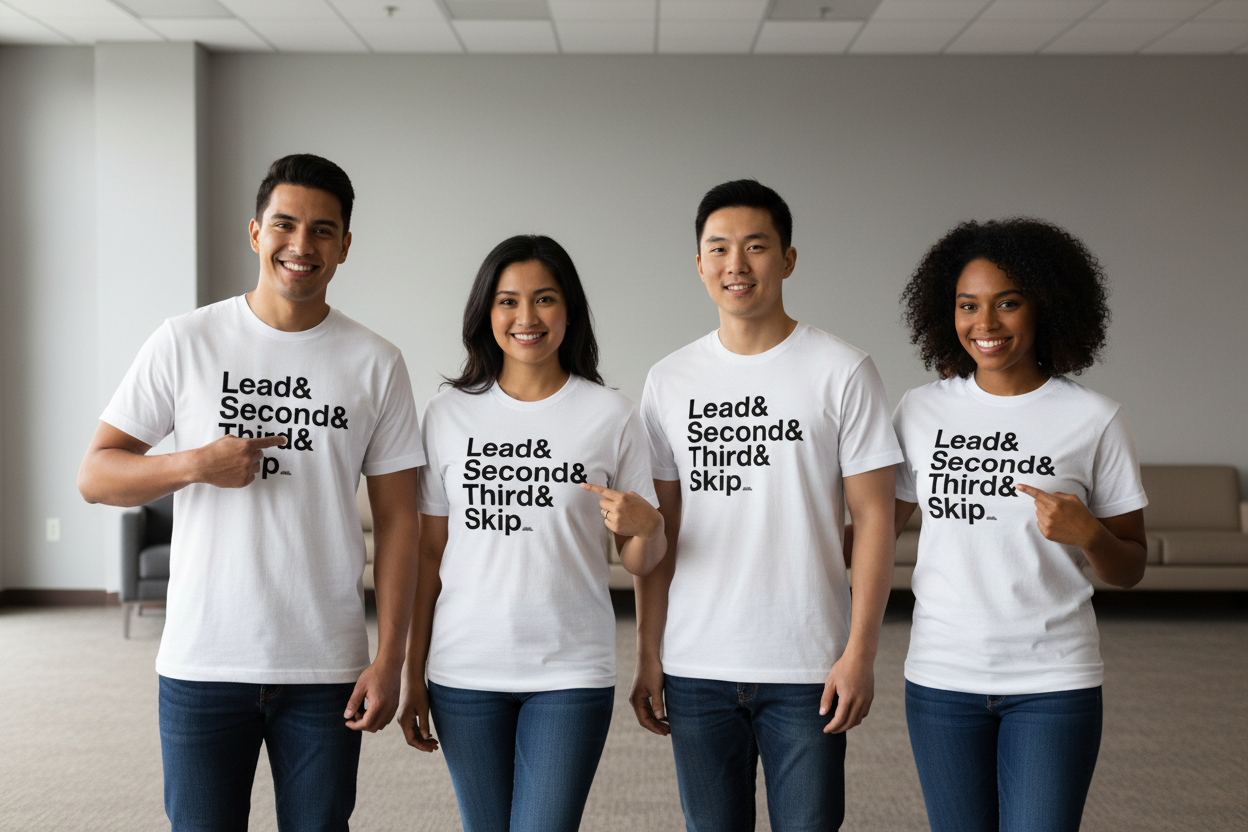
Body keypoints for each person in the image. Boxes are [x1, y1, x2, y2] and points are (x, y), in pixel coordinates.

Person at [77, 154, 424, 832]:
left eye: (323, 230)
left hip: (325, 665)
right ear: (256, 232)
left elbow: (399, 523)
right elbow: (96, 475)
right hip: (204, 660)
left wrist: (391, 659)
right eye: (285, 225)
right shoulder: (186, 341)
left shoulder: (376, 362)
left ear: (345, 246)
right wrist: (195, 464)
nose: (302, 245)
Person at [631, 180, 903, 831]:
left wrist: (860, 652)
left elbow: (875, 519)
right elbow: (660, 531)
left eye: (755, 246)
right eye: (719, 249)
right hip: (697, 663)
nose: (737, 264)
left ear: (788, 259)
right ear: (700, 264)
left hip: (808, 663)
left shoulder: (843, 370)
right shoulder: (668, 380)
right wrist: (648, 651)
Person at [397, 235, 666, 832]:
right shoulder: (446, 413)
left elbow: (641, 560)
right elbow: (429, 552)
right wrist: (412, 672)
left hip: (570, 671)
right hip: (464, 672)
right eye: (507, 301)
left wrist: (650, 527)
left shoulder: (613, 414)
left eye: (544, 299)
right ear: (485, 313)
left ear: (569, 310)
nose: (526, 317)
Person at [890, 218, 1148, 832]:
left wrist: (1089, 534)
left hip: (1053, 680)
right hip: (941, 677)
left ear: (1045, 307)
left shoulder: (1094, 418)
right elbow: (874, 534)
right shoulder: (919, 410)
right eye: (968, 305)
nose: (986, 323)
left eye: (1007, 303)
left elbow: (1130, 568)